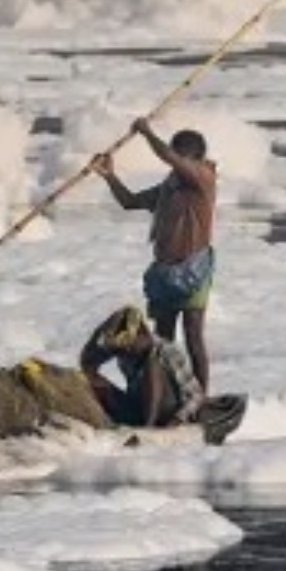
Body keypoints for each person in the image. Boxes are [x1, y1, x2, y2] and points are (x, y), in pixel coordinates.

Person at [91, 118, 218, 393]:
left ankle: (202, 398)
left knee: (194, 335)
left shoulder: (203, 180)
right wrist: (109, 175)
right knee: (163, 339)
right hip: (164, 272)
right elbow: (129, 202)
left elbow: (168, 156)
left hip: (193, 270)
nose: (175, 165)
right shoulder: (170, 187)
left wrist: (146, 132)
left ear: (194, 159)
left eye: (180, 158)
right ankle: (165, 396)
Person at [79, 304, 202, 430]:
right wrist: (100, 331)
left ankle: (148, 427)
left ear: (143, 334)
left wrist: (176, 420)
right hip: (138, 407)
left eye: (129, 346)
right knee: (89, 378)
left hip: (166, 412)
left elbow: (195, 396)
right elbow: (87, 363)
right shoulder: (125, 350)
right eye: (123, 349)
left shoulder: (167, 351)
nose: (126, 351)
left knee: (151, 365)